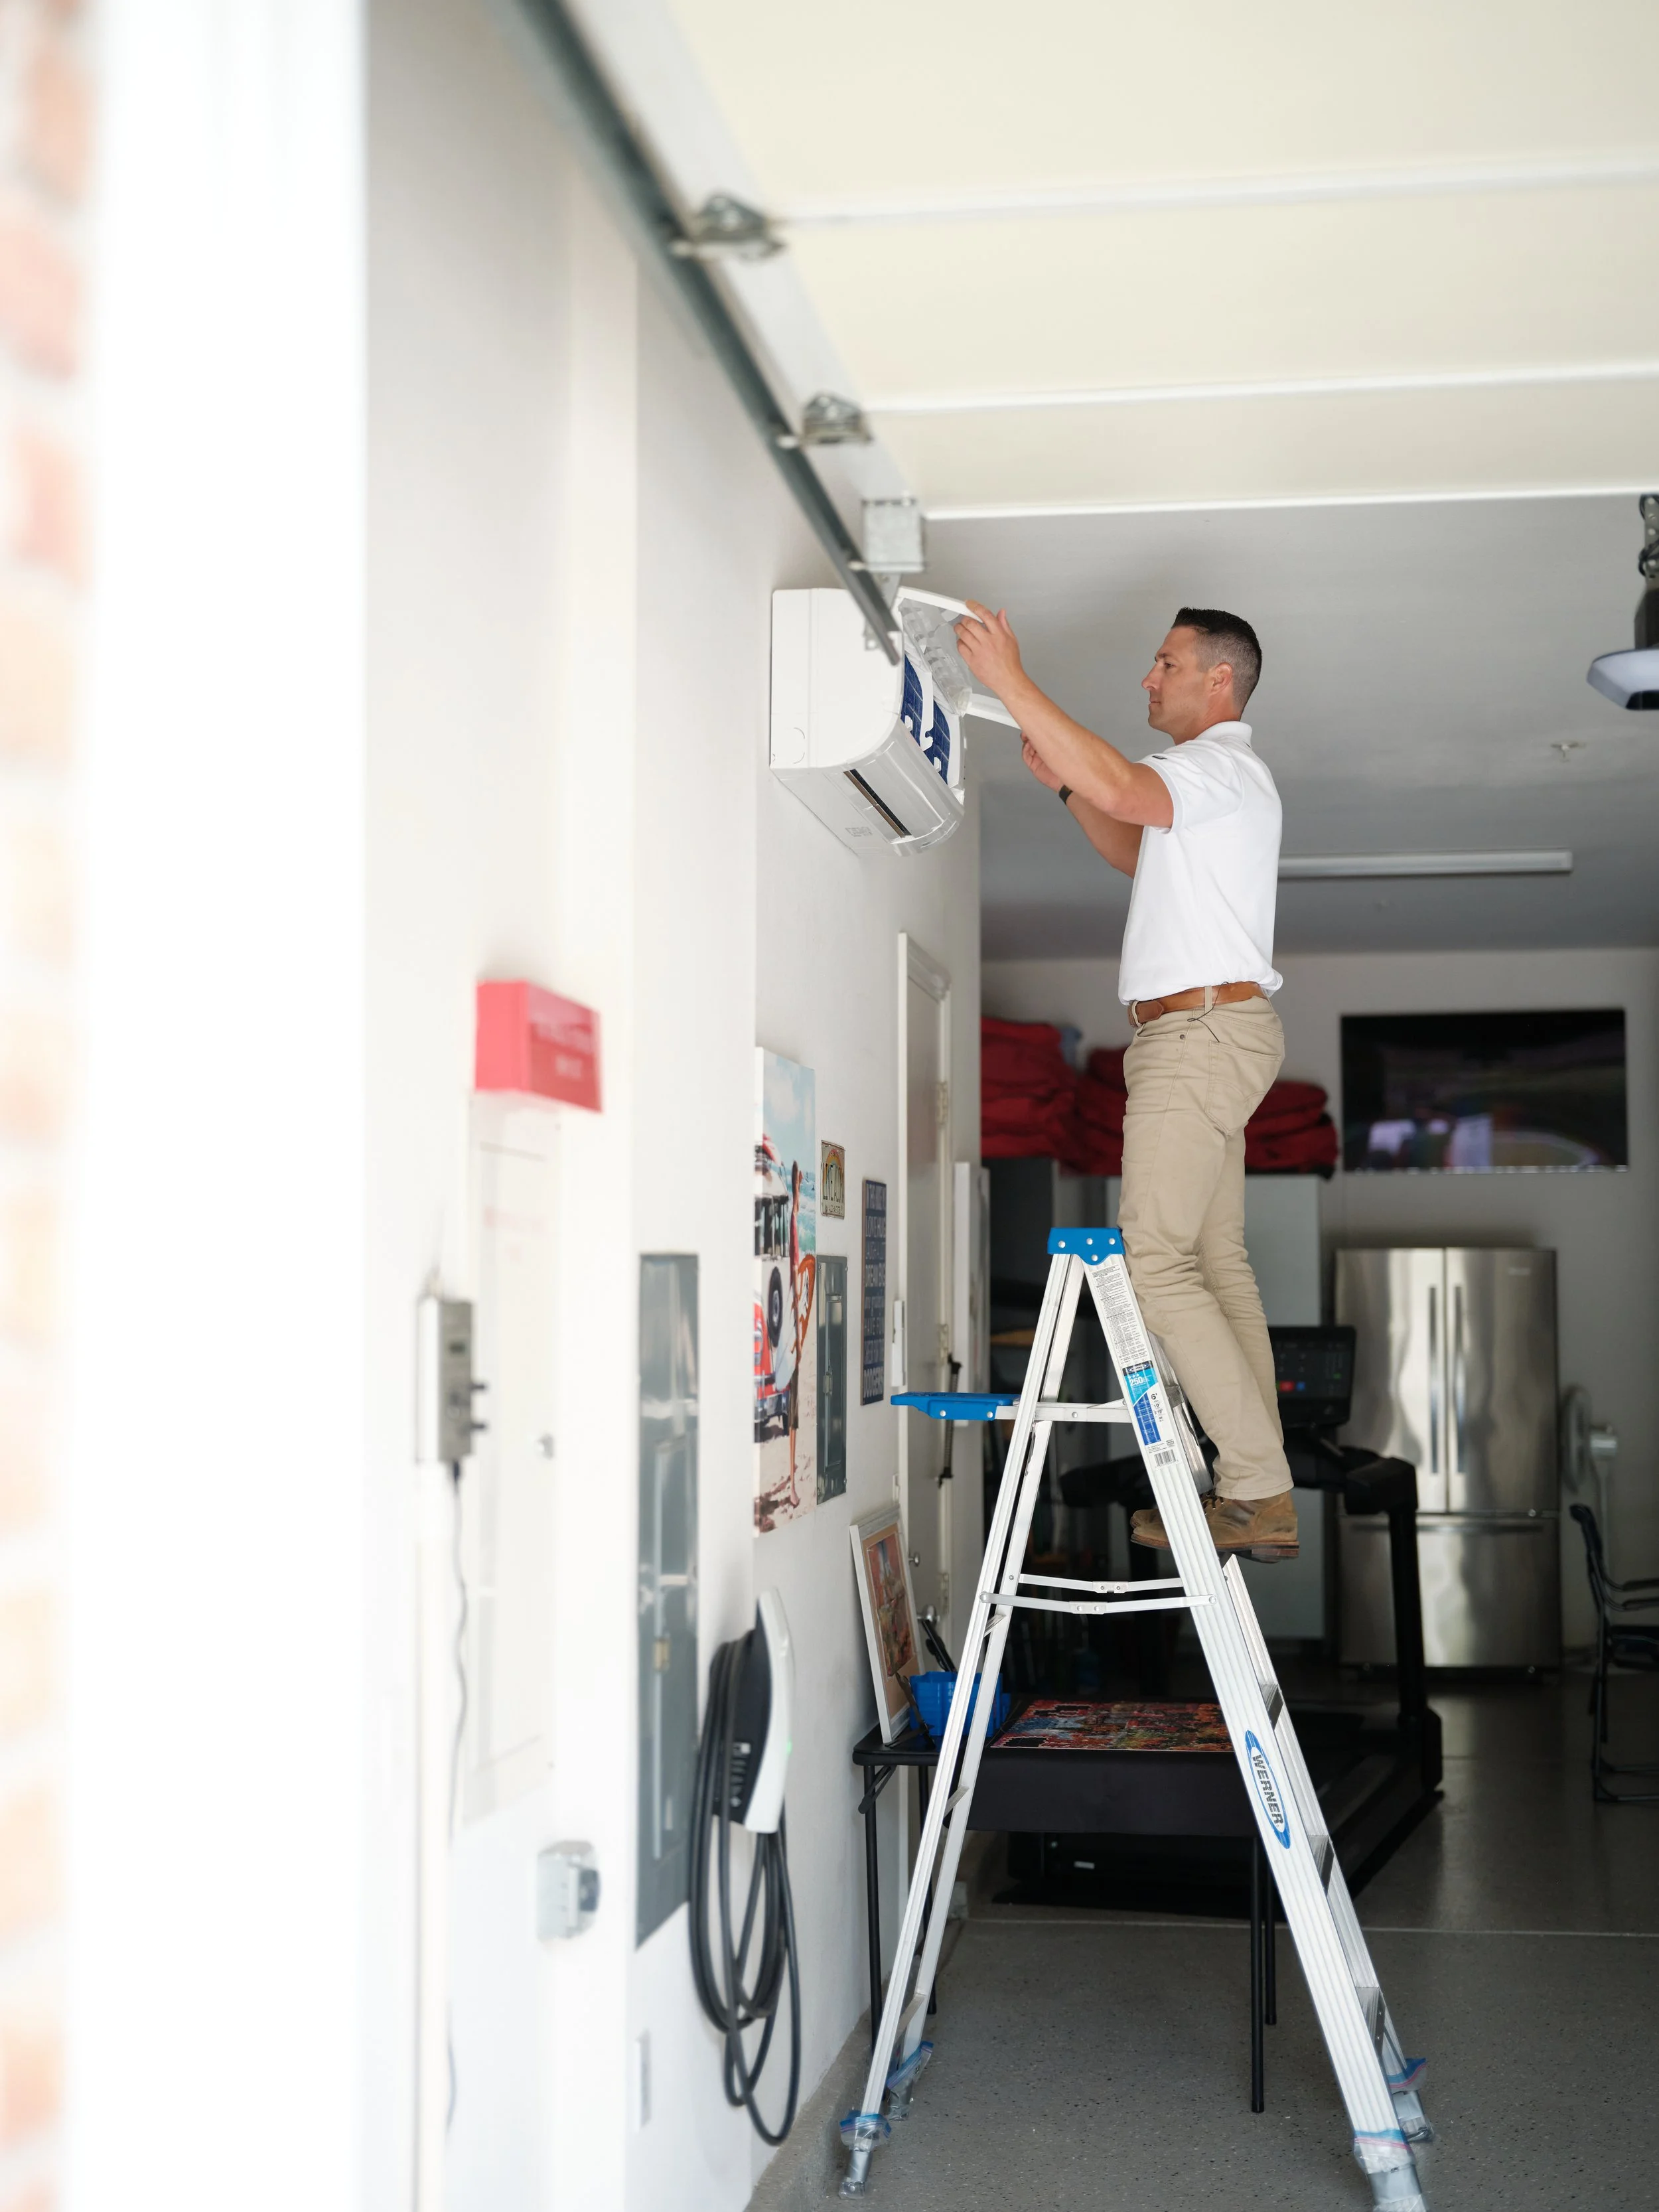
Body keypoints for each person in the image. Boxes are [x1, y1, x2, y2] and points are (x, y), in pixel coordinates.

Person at [954, 601, 1297, 1562]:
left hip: (1197, 1035)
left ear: (1218, 680)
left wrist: (1012, 683)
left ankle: (1257, 1488)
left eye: (1166, 663)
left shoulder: (1217, 767)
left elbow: (1122, 783)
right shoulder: (1214, 787)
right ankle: (1256, 1486)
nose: (1149, 679)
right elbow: (1128, 842)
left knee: (1157, 1259)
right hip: (1207, 1032)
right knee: (1211, 1260)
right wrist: (1070, 790)